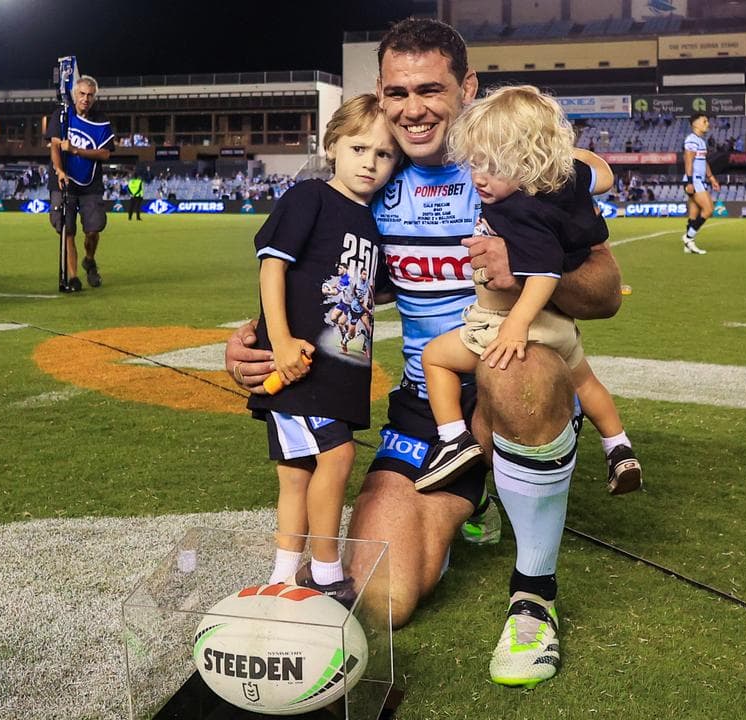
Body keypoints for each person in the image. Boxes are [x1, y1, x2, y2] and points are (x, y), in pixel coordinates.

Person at [224, 18, 623, 688]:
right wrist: (255, 338)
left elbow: (606, 291)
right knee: (382, 597)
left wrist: (518, 274)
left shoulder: (519, 168)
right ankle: (481, 498)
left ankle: (535, 595)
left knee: (517, 366)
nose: (413, 108)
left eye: (431, 89)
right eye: (397, 92)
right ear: (379, 96)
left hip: (513, 372)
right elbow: (335, 287)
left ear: (468, 87)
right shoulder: (373, 183)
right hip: (426, 404)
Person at [415, 85, 643, 498]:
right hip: (560, 328)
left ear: (526, 163)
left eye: (494, 166)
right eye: (475, 163)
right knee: (586, 382)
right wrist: (568, 159)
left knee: (436, 358)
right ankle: (618, 446)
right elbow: (604, 175)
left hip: (515, 321)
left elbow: (543, 274)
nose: (479, 176)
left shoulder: (518, 209)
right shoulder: (566, 182)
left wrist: (515, 326)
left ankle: (453, 440)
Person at [247, 94, 398, 600]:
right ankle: (327, 572)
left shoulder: (373, 222)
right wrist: (282, 339)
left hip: (340, 370)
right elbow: (273, 265)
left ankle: (283, 577)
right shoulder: (310, 196)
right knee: (336, 458)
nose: (370, 163)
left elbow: (369, 291)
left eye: (383, 155)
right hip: (298, 370)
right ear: (332, 145)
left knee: (296, 474)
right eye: (359, 148)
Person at [48, 75, 115, 292]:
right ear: (75, 94)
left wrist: (76, 150)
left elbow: (105, 154)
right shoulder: (61, 115)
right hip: (64, 181)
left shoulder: (101, 121)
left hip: (90, 184)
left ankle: (89, 259)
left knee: (93, 230)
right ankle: (74, 277)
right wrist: (59, 171)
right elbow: (55, 147)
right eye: (82, 94)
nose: (85, 99)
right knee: (67, 229)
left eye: (90, 95)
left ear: (95, 98)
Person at [681, 112, 720, 255]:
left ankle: (688, 246)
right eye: (704, 121)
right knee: (709, 209)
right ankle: (688, 238)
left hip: (699, 179)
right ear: (695, 123)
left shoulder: (701, 141)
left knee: (693, 214)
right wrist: (690, 181)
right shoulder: (691, 140)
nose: (707, 123)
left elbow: (703, 162)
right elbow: (688, 161)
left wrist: (711, 178)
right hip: (694, 180)